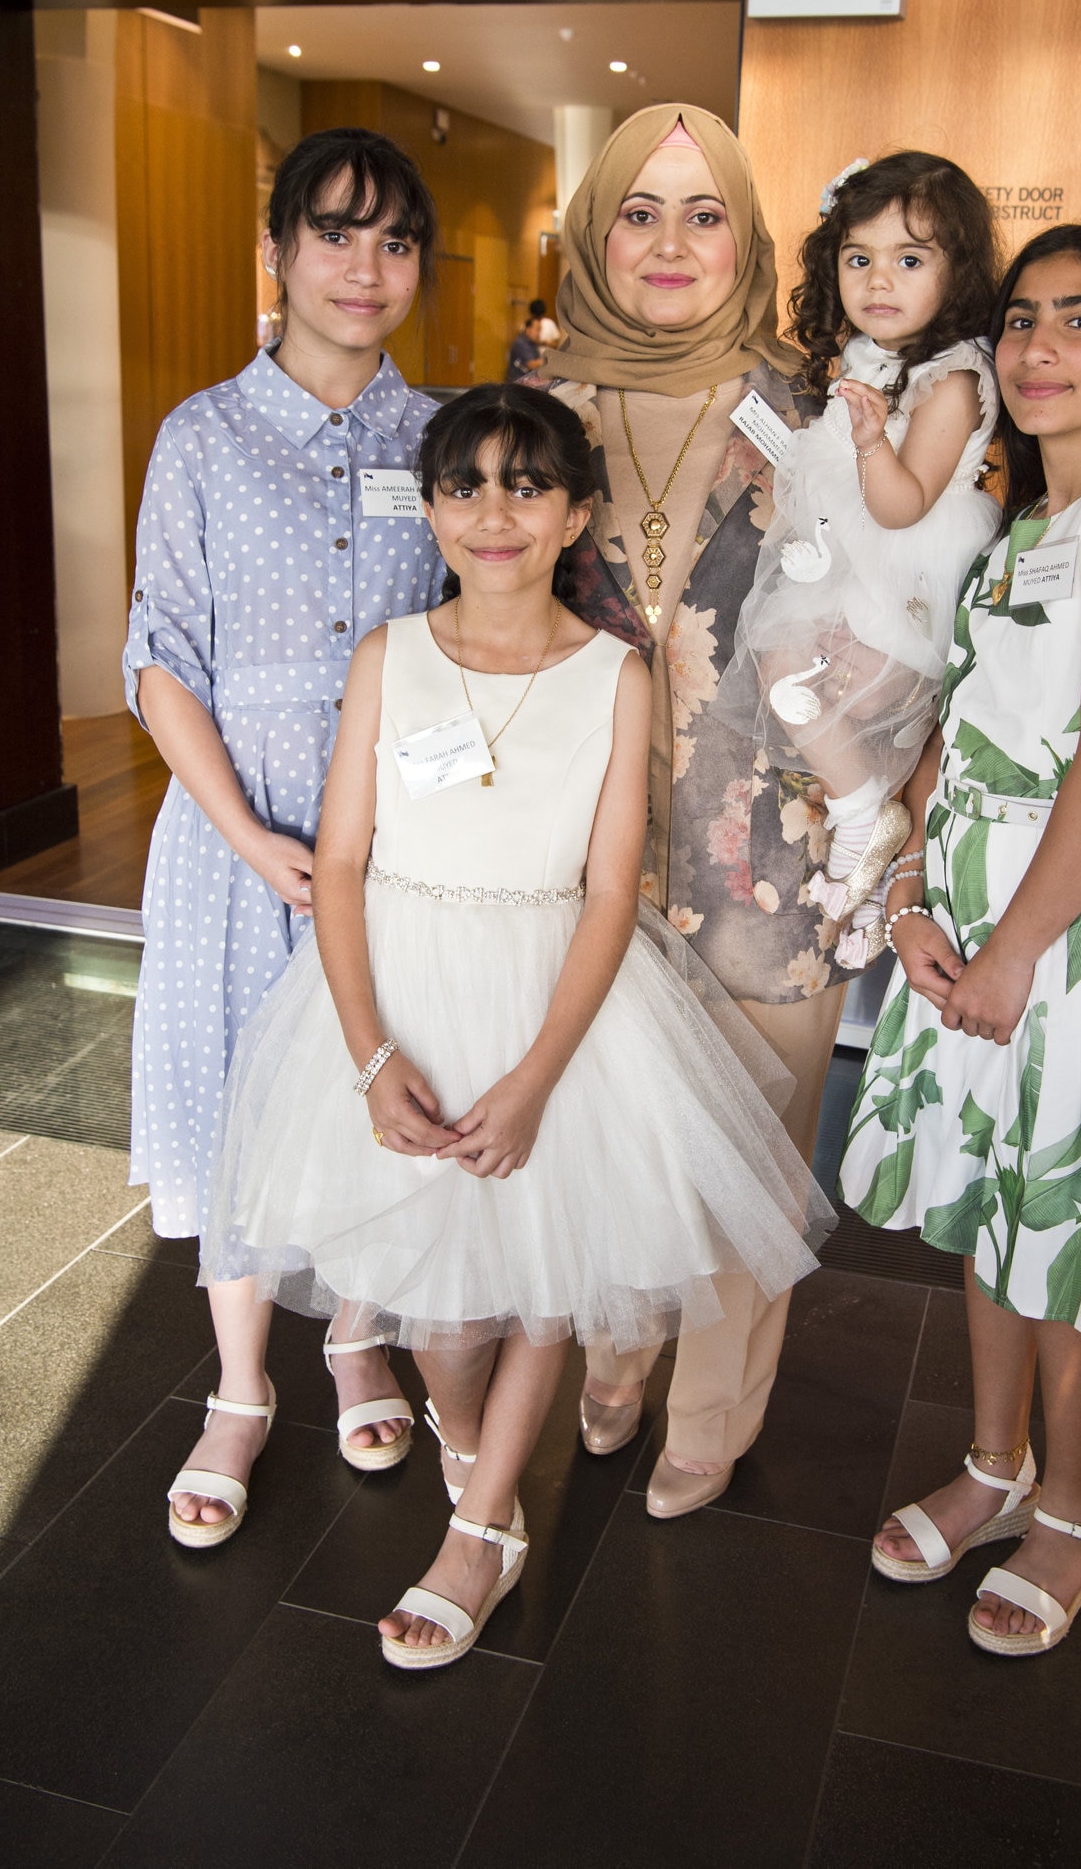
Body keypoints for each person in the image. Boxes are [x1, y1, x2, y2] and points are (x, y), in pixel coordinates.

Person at [200, 385, 833, 1668]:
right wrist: (372, 1057)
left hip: (560, 1002)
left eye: (526, 485)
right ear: (431, 506)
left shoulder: (615, 673)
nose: (494, 512)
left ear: (576, 515)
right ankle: (474, 1452)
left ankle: (482, 1530)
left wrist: (544, 1074)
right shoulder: (390, 655)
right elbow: (339, 866)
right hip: (401, 993)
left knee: (543, 1276)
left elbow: (611, 888)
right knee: (435, 1301)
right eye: (466, 485)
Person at [839, 224, 1081, 1654]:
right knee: (991, 1205)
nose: (1036, 349)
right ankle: (993, 1463)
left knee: (1065, 1228)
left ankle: (1073, 1508)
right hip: (976, 921)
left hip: (1076, 930)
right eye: (1017, 322)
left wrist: (1008, 952)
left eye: (1078, 321)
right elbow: (957, 742)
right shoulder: (1020, 525)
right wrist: (910, 902)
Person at [125, 127, 448, 1547]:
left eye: (393, 242)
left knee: (377, 1084)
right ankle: (242, 1386)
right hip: (236, 831)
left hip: (400, 836)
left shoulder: (446, 437)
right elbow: (159, 659)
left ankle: (357, 1332)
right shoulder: (201, 434)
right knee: (234, 1102)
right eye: (335, 233)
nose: (364, 268)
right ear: (277, 250)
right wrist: (257, 844)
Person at [542, 103, 852, 1518]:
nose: (670, 244)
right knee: (611, 1134)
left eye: (703, 212)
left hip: (762, 857)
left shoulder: (820, 417)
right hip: (580, 857)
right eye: (639, 211)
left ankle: (714, 1401)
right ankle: (616, 1344)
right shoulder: (534, 411)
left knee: (747, 1148)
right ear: (594, 229)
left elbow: (885, 631)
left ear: (747, 233)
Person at [715, 151, 1001, 968]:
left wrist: (874, 440)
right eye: (859, 258)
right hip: (849, 561)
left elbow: (901, 503)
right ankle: (870, 843)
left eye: (910, 260)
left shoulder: (954, 376)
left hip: (906, 566)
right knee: (784, 666)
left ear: (960, 272)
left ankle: (867, 828)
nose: (880, 280)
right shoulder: (870, 356)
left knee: (843, 698)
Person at [507, 312, 545, 383]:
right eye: (537, 330)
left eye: (540, 330)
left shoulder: (532, 343)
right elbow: (531, 364)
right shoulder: (520, 343)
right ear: (528, 329)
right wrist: (550, 362)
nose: (539, 333)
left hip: (528, 381)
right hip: (517, 383)